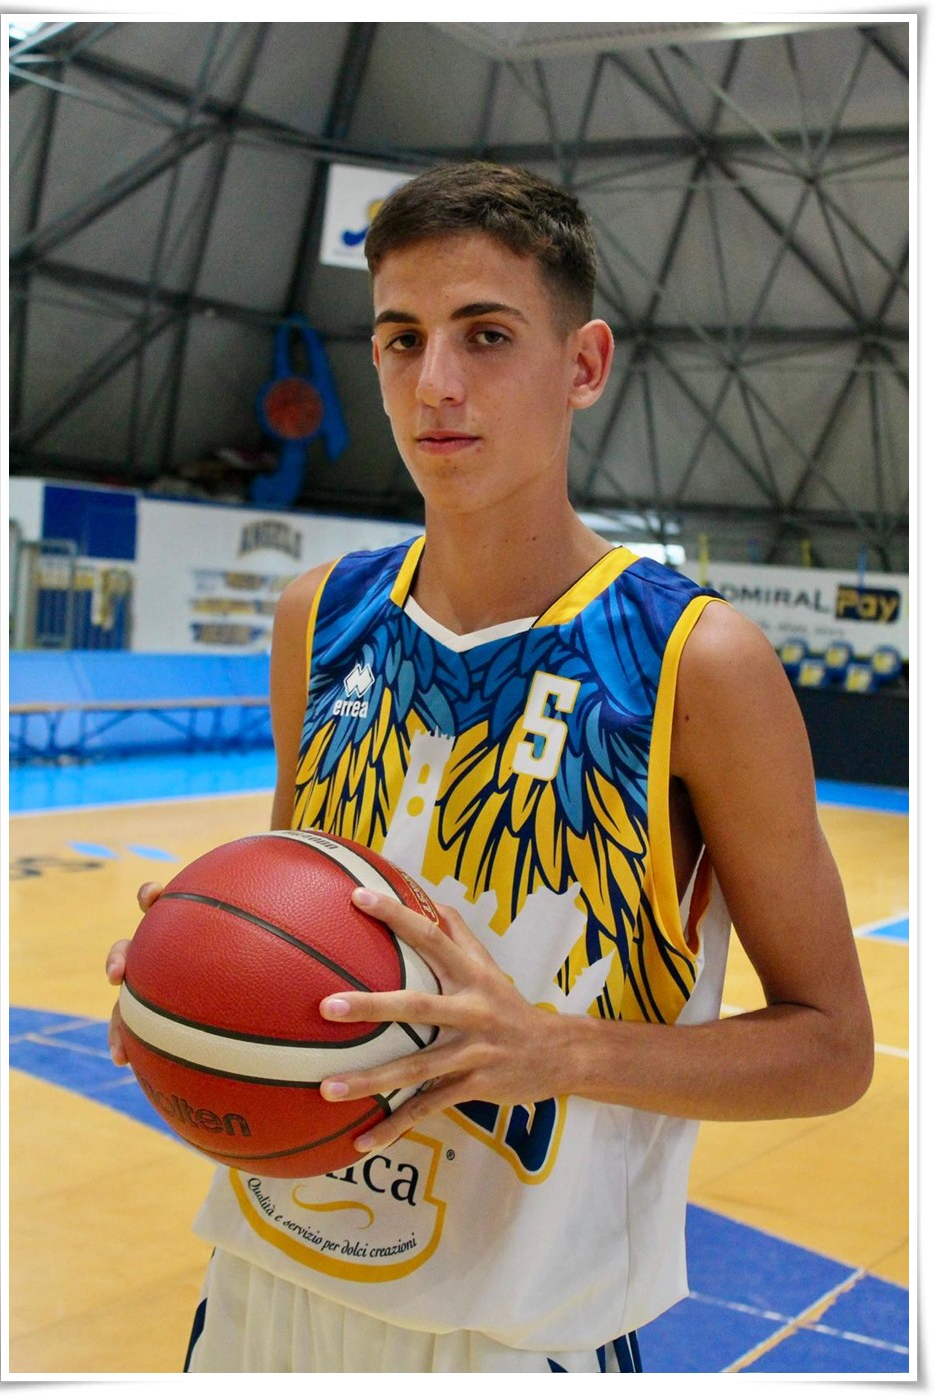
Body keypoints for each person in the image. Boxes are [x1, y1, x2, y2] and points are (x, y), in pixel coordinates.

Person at [106, 161, 874, 1374]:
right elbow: (302, 905)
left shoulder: (696, 660)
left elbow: (832, 1047)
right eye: (402, 339)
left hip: (516, 1338)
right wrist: (193, 982)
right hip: (258, 1296)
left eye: (488, 334)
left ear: (585, 365)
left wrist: (555, 1050)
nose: (437, 384)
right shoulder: (321, 615)